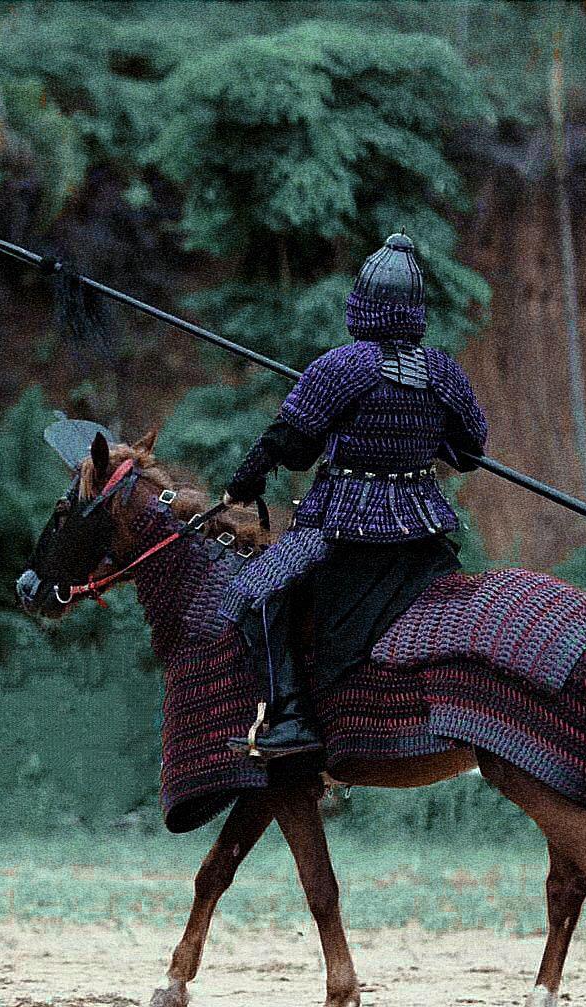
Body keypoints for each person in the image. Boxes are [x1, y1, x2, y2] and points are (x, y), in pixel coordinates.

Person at [219, 232, 489, 762]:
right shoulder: (443, 373)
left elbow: (290, 446)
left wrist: (244, 482)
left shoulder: (341, 367)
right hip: (420, 530)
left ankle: (292, 719)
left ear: (360, 304)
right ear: (416, 311)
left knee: (259, 592)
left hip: (342, 524)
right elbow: (470, 449)